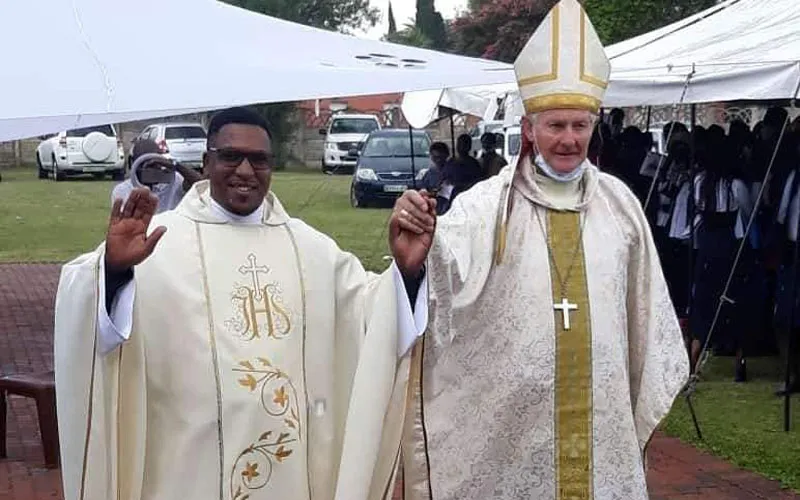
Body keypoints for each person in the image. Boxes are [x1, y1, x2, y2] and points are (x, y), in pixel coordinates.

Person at [53, 107, 435, 500]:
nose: (245, 171)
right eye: (231, 156)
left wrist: (404, 274)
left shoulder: (311, 249)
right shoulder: (157, 243)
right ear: (206, 162)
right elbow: (86, 304)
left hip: (292, 475)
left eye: (260, 160)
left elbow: (370, 318)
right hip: (186, 469)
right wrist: (114, 271)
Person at [390, 1, 689, 497]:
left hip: (601, 426)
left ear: (594, 126)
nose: (569, 139)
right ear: (529, 129)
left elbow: (645, 312)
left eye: (580, 125)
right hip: (514, 435)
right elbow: (440, 271)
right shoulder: (486, 207)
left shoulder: (621, 207)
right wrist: (415, 261)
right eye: (555, 125)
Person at [111, 138, 204, 213]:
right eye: (144, 163)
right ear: (135, 163)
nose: (150, 169)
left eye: (154, 162)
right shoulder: (123, 190)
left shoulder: (175, 180)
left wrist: (175, 165)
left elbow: (203, 185)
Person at [420, 141, 454, 215]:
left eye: (440, 157)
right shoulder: (430, 173)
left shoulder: (453, 170)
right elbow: (423, 189)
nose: (438, 160)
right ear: (431, 157)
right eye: (435, 157)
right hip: (433, 207)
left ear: (446, 155)